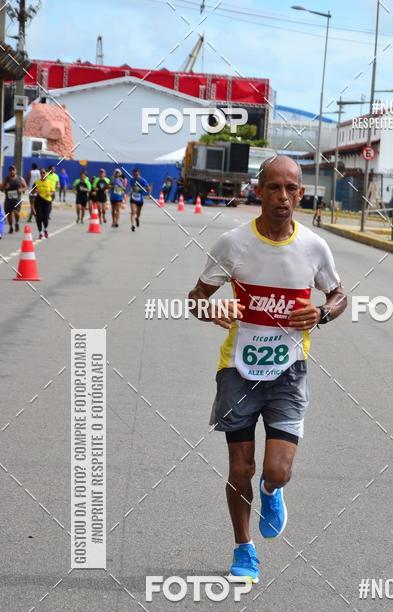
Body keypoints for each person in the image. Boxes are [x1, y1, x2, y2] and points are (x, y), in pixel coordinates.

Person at [188, 155, 347, 583]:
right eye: (274, 188)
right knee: (241, 467)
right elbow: (195, 298)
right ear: (259, 191)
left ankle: (272, 492)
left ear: (301, 193)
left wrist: (322, 314)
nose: (282, 197)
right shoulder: (233, 244)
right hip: (238, 369)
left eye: (291, 188)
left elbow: (338, 295)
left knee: (276, 470)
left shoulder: (314, 246)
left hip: (289, 370)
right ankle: (244, 549)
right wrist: (210, 308)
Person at [30, 167, 55, 239]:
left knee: (46, 218)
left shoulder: (49, 182)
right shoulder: (37, 182)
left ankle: (45, 229)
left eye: (44, 172)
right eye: (41, 173)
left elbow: (53, 191)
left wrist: (50, 194)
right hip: (39, 201)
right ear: (40, 174)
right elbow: (32, 191)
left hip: (47, 201)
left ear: (46, 174)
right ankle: (40, 232)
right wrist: (35, 191)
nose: (42, 174)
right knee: (39, 217)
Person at [1, 164, 27, 233]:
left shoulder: (20, 178)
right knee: (9, 214)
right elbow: (1, 188)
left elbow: (25, 187)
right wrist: (5, 187)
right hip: (8, 199)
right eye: (10, 170)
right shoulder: (6, 179)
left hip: (17, 199)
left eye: (13, 170)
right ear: (9, 171)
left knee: (16, 212)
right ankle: (11, 227)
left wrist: (21, 190)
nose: (12, 171)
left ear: (15, 171)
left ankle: (17, 223)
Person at [129, 167, 149, 231]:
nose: (135, 176)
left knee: (138, 213)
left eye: (136, 174)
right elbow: (132, 187)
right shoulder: (132, 180)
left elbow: (148, 188)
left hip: (140, 199)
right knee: (133, 212)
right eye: (134, 175)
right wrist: (130, 192)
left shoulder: (143, 180)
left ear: (139, 174)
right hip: (133, 198)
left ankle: (137, 218)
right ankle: (132, 225)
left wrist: (141, 189)